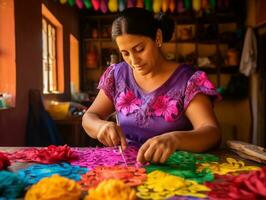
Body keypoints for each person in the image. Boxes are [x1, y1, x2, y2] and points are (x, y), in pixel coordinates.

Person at [82, 7, 221, 164]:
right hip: (124, 169)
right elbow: (89, 117)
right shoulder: (117, 75)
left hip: (175, 172)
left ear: (157, 38)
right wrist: (101, 127)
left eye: (139, 49)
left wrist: (175, 139)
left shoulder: (188, 80)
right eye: (125, 53)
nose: (134, 61)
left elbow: (211, 132)